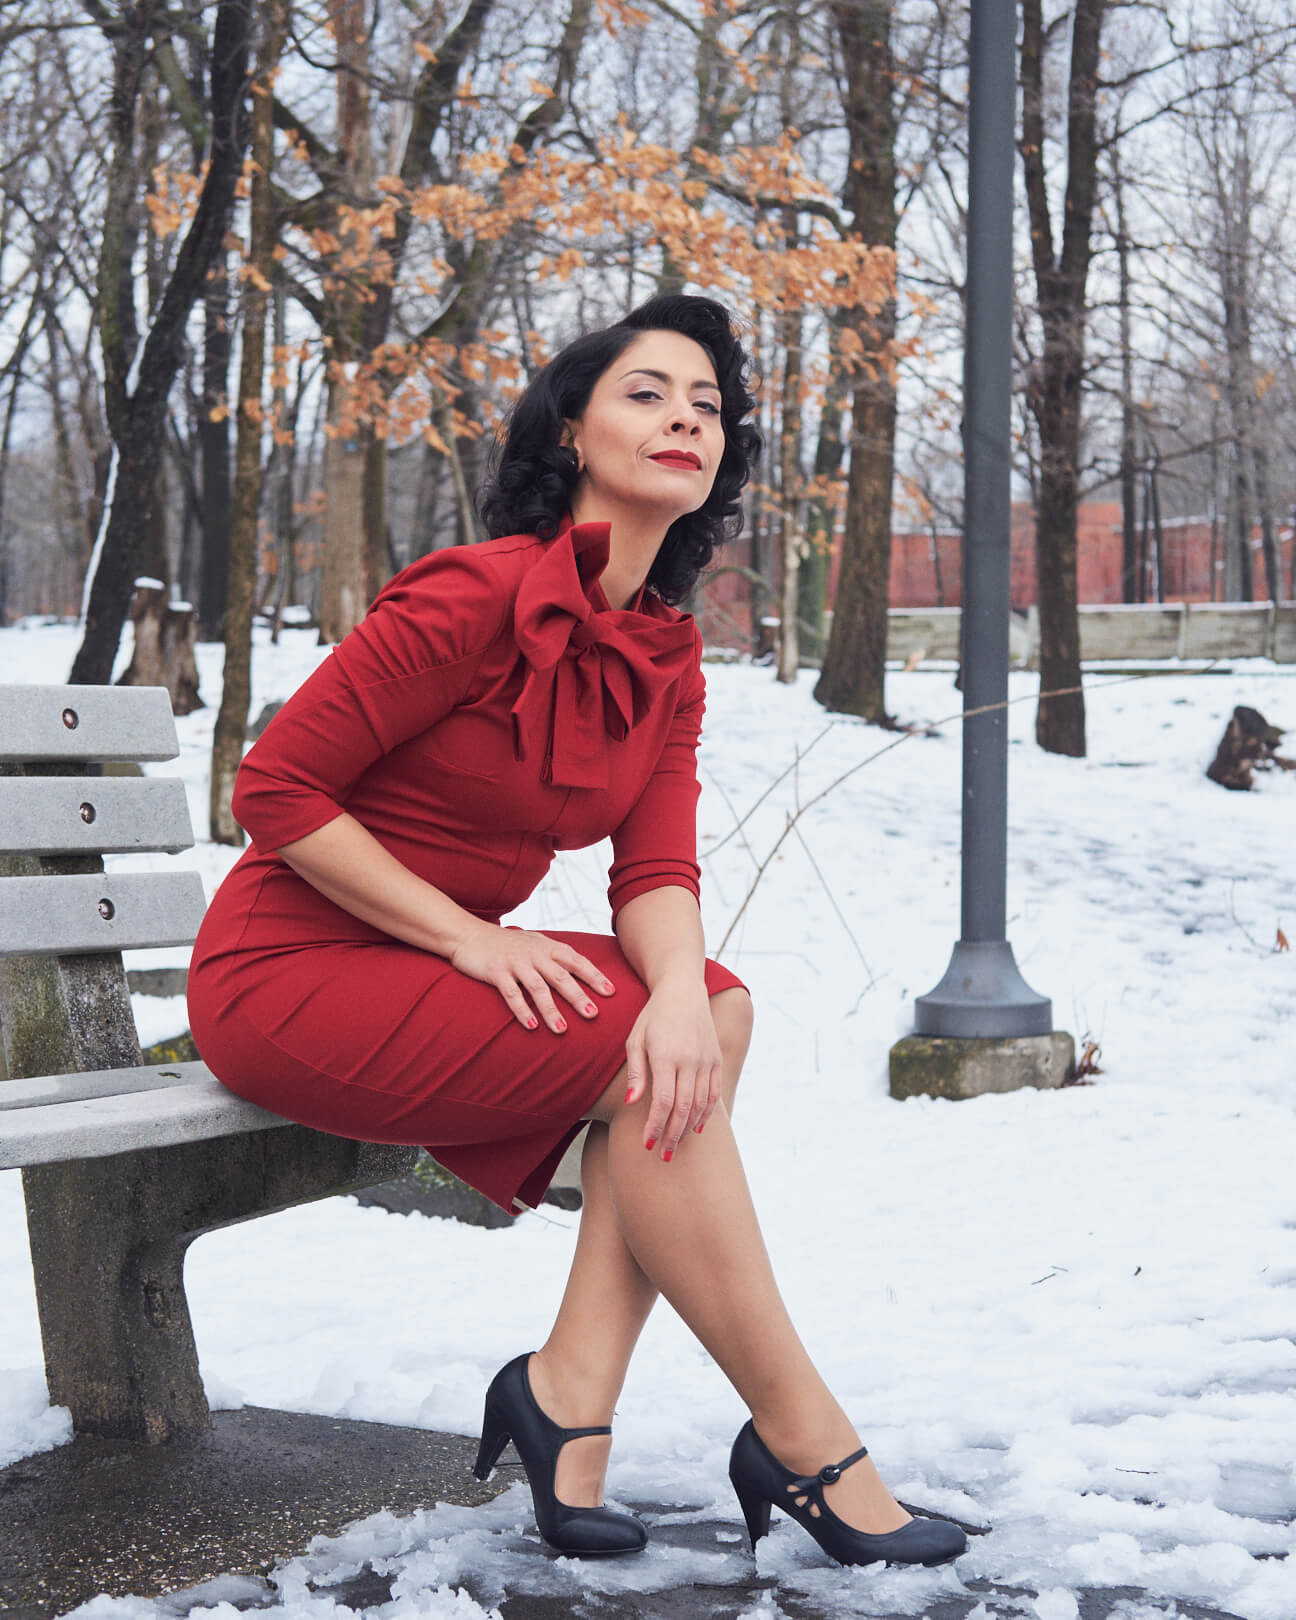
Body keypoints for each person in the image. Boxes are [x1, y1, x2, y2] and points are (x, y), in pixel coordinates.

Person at [186, 294, 967, 1573]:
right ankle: (805, 1439)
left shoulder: (664, 648)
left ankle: (567, 1397)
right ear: (570, 431)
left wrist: (666, 995)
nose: (686, 420)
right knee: (648, 1051)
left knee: (707, 1007)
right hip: (289, 975)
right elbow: (273, 790)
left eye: (708, 407)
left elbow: (655, 867)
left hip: (417, 969)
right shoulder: (472, 598)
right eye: (649, 393)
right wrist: (468, 941)